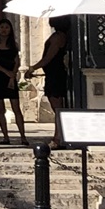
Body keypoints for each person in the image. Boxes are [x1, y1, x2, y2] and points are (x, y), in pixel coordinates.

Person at [25, 15, 71, 148]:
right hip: (54, 73)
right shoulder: (61, 36)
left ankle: (58, 137)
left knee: (57, 107)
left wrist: (33, 68)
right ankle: (60, 136)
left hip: (55, 74)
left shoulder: (57, 37)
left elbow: (48, 58)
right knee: (57, 107)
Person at [0, 18, 26, 145]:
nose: (4, 30)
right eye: (2, 27)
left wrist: (12, 75)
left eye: (7, 27)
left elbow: (17, 61)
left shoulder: (14, 44)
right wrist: (5, 72)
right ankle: (5, 136)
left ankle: (23, 136)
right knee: (0, 108)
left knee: (16, 107)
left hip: (10, 78)